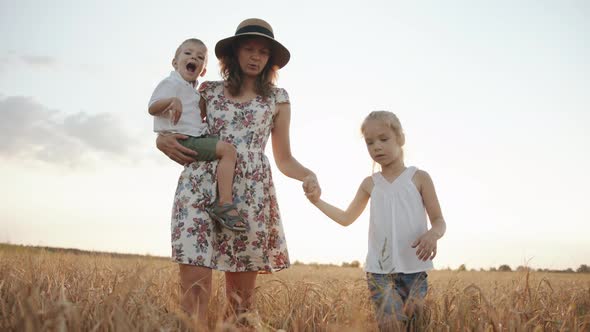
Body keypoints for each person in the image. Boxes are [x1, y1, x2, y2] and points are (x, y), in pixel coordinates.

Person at [155, 19, 319, 327]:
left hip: (250, 198)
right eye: (248, 49)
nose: (256, 56)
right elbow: (179, 127)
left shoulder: (277, 98)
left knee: (240, 306)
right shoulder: (208, 91)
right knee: (194, 291)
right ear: (234, 53)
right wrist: (160, 138)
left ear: (270, 59)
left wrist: (308, 174)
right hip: (199, 189)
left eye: (263, 52)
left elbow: (284, 159)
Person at [305, 111, 446, 330]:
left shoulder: (419, 178)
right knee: (390, 325)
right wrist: (317, 202)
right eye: (370, 143)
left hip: (415, 270)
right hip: (379, 272)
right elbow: (346, 218)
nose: (376, 147)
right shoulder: (370, 184)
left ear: (401, 139)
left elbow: (439, 221)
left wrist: (432, 234)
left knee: (415, 326)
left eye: (383, 139)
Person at [149, 38, 247, 231]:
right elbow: (152, 107)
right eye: (187, 53)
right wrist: (171, 101)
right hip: (186, 140)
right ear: (174, 62)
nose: (193, 57)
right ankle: (225, 203)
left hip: (195, 137)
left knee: (223, 147)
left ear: (202, 70)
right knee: (228, 151)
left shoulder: (193, 92)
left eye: (200, 57)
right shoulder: (171, 83)